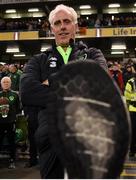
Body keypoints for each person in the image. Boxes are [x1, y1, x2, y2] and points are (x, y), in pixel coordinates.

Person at [20, 4, 109, 178]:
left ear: (75, 26)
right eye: (57, 23)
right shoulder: (38, 60)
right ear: (52, 29)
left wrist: (50, 81)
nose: (62, 26)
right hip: (49, 139)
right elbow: (27, 92)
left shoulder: (92, 54)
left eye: (67, 21)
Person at [0, 76, 20, 169]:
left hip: (11, 122)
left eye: (8, 82)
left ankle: (12, 160)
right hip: (0, 122)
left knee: (12, 141)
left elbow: (18, 109)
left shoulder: (15, 95)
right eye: (4, 82)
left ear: (11, 84)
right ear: (1, 84)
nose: (6, 83)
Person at [124, 74, 136, 158]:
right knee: (134, 131)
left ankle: (132, 151)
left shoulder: (131, 82)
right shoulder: (131, 82)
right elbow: (127, 95)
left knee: (134, 131)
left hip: (133, 109)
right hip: (133, 109)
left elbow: (127, 96)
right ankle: (132, 150)